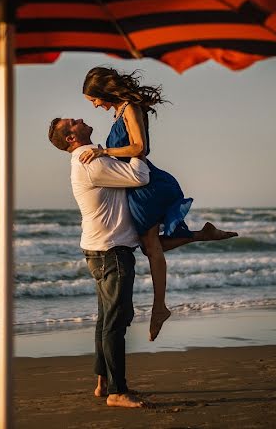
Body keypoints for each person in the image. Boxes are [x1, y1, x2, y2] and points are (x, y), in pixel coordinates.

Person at [81, 66, 238, 341]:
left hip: (148, 187)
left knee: (152, 249)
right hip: (137, 186)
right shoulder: (120, 111)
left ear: (102, 91)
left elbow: (139, 148)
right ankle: (202, 235)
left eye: (93, 99)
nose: (95, 105)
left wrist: (103, 151)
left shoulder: (130, 108)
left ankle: (159, 307)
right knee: (148, 246)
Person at [48, 116, 150, 408]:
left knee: (106, 319)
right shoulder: (90, 161)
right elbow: (140, 177)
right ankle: (118, 392)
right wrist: (138, 150)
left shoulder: (88, 159)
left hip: (99, 250)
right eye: (74, 122)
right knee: (115, 322)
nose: (81, 119)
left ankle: (102, 382)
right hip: (112, 251)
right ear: (71, 137)